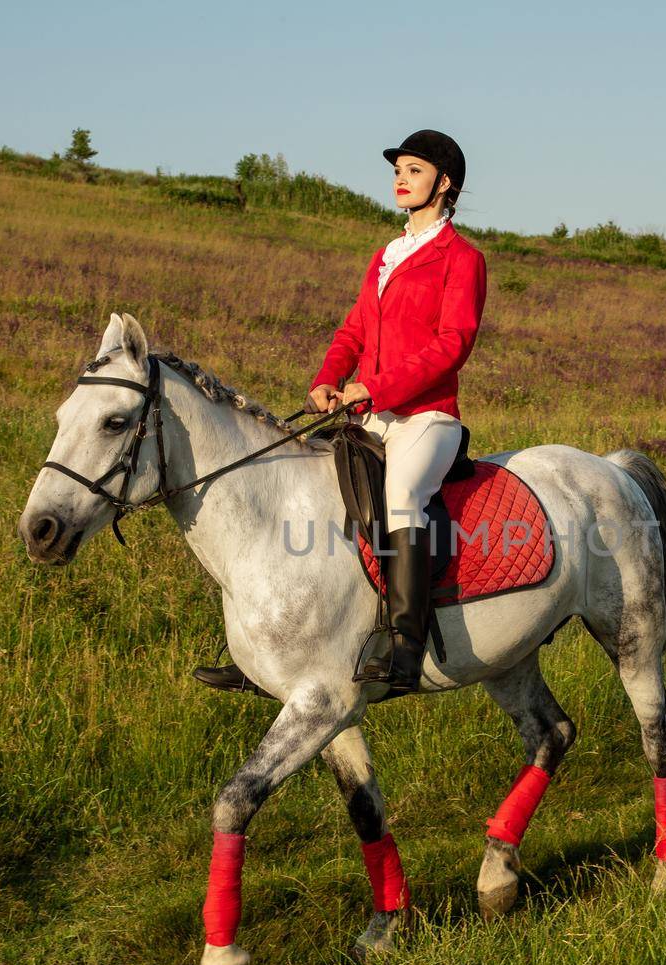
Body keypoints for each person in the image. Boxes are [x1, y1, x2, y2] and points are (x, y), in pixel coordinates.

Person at [194, 129, 488, 698]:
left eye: (415, 170)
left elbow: (452, 345)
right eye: (398, 169)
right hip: (369, 414)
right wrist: (329, 379)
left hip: (427, 419)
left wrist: (374, 387)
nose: (400, 179)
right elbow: (353, 330)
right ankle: (275, 650)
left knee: (402, 494)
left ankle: (405, 643)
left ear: (444, 183)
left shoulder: (463, 259)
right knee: (307, 493)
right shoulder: (385, 255)